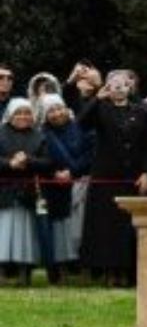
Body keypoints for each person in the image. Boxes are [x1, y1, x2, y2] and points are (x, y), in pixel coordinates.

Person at [77, 70, 147, 286]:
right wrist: (96, 99)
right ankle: (110, 272)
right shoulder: (101, 107)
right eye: (114, 84)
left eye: (124, 84)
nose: (119, 88)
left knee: (128, 226)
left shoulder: (141, 111)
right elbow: (81, 124)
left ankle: (129, 273)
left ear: (130, 87)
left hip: (133, 178)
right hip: (105, 177)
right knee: (106, 226)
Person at [37, 94, 92, 283]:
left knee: (81, 227)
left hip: (80, 184)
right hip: (54, 187)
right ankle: (60, 270)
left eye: (59, 108)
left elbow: (90, 153)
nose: (56, 113)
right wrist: (56, 173)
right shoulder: (41, 133)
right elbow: (40, 158)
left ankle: (84, 268)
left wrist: (72, 171)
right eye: (51, 111)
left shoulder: (80, 127)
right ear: (45, 115)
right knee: (59, 229)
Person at [0, 99, 54, 285]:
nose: (23, 116)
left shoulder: (39, 135)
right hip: (4, 194)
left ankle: (25, 273)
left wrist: (28, 160)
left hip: (31, 194)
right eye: (19, 113)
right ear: (10, 115)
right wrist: (9, 163)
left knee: (27, 236)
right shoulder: (1, 133)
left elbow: (48, 163)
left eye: (27, 112)